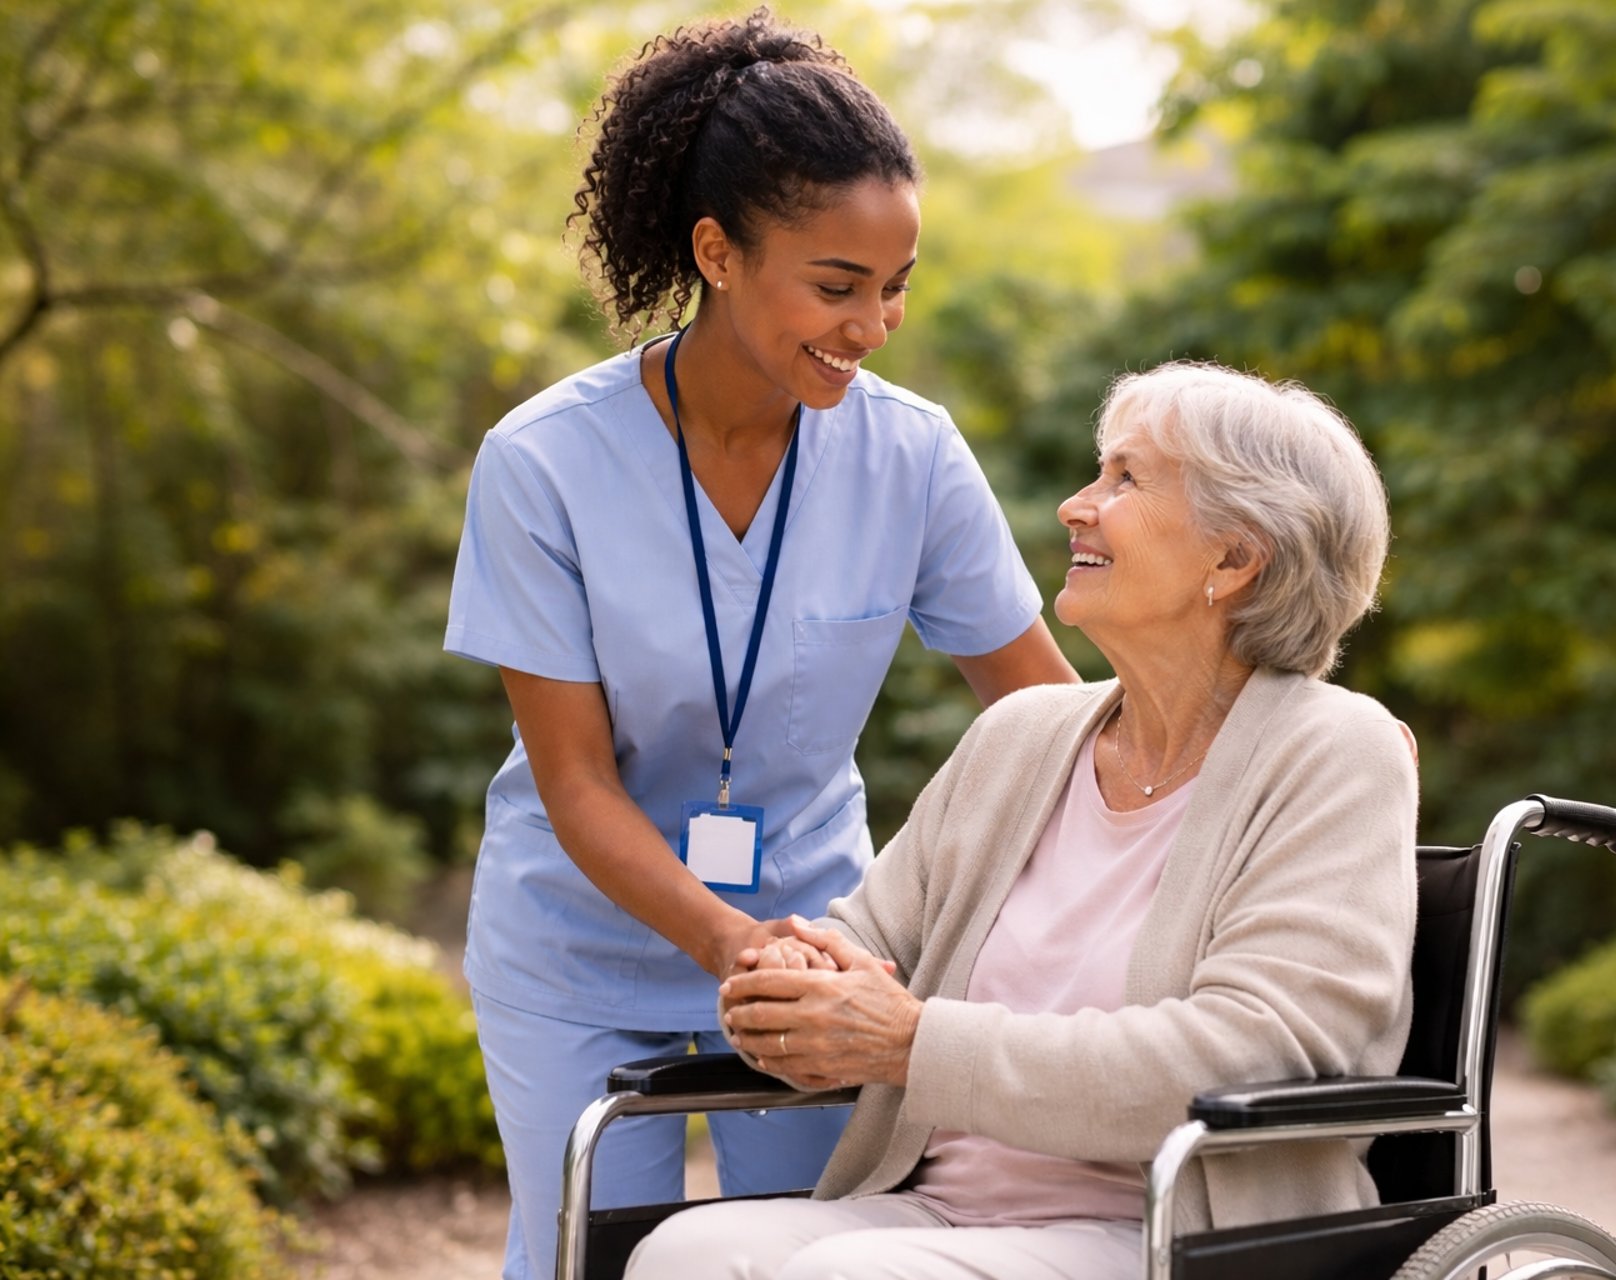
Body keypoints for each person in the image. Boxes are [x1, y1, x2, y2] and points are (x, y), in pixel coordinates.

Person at [443, 11, 1076, 1278]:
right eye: (837, 287)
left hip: (817, 943)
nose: (873, 324)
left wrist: (1270, 731)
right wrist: (728, 940)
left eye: (895, 286)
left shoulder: (911, 455)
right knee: (592, 1253)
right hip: (578, 947)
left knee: (813, 1253)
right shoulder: (543, 463)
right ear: (717, 253)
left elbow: (1051, 715)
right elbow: (576, 781)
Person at [626, 360, 1420, 1280]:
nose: (1075, 507)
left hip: (1170, 1230)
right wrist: (790, 985)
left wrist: (912, 1043)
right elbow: (869, 949)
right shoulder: (1020, 736)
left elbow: (1255, 1051)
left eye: (1127, 479)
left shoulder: (1334, 751)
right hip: (938, 1209)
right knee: (682, 1254)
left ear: (1234, 560)